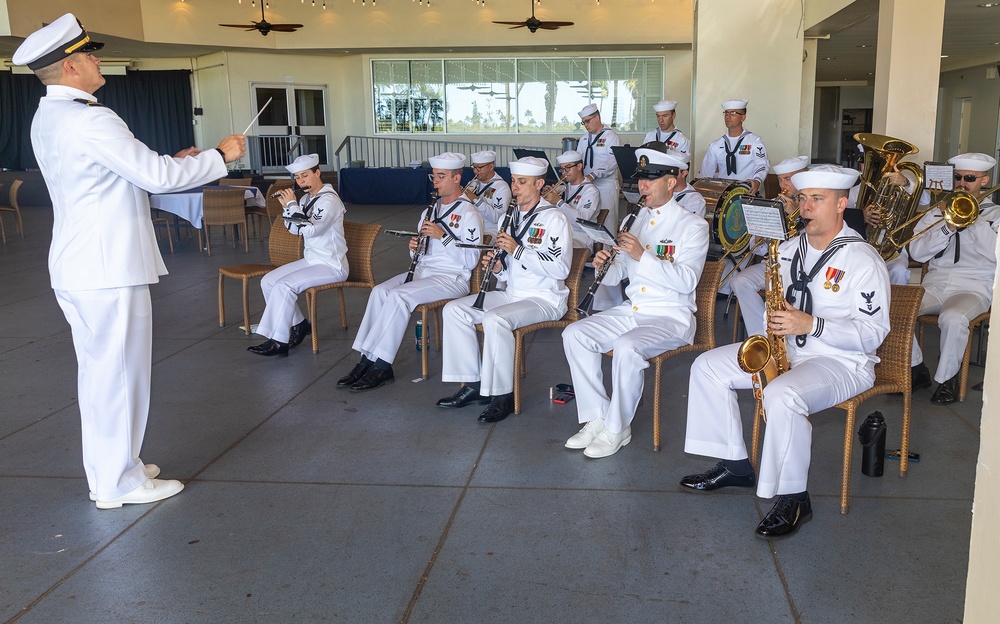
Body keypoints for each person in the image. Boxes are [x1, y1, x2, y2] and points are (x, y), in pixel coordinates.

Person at [12, 13, 246, 509]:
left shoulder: (49, 116)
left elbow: (117, 177)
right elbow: (155, 177)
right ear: (71, 67)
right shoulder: (91, 117)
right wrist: (220, 156)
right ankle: (119, 484)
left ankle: (116, 469)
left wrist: (179, 162)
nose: (99, 60)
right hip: (107, 268)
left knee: (100, 376)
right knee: (119, 376)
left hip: (79, 266)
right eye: (90, 55)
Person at [680, 165, 890, 539]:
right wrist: (771, 332)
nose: (806, 207)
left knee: (783, 393)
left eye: (818, 200)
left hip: (843, 361)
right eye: (803, 198)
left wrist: (812, 325)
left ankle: (795, 496)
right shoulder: (788, 249)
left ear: (842, 204)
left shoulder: (863, 260)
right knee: (706, 366)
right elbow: (773, 296)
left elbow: (873, 334)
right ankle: (735, 463)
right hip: (788, 349)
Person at [562, 145, 708, 458]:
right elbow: (619, 277)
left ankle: (618, 427)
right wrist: (606, 265)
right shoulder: (635, 218)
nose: (643, 185)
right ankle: (597, 416)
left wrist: (642, 255)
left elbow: (686, 282)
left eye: (651, 178)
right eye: (641, 177)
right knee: (575, 333)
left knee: (627, 347)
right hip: (635, 310)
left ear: (670, 182)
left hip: (671, 316)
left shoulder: (692, 226)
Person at [437, 157, 573, 423]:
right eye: (514, 181)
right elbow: (509, 272)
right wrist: (498, 267)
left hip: (545, 298)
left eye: (522, 182)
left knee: (495, 318)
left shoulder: (554, 218)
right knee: (454, 309)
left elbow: (560, 269)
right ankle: (475, 385)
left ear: (540, 184)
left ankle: (502, 395)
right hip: (514, 292)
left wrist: (517, 250)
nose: (516, 187)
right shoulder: (507, 219)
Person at [338, 152, 484, 391]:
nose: (434, 181)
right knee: (380, 292)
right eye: (433, 176)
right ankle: (366, 358)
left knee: (399, 296)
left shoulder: (469, 213)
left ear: (457, 178)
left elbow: (470, 259)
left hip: (451, 278)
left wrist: (443, 237)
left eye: (441, 176)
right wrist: (415, 247)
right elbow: (423, 253)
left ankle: (382, 365)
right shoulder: (429, 211)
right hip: (424, 273)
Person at [907, 152, 999, 404]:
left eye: (969, 178)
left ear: (985, 180)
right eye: (957, 176)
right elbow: (916, 252)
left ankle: (947, 379)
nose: (962, 183)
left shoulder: (995, 215)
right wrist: (947, 227)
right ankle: (917, 370)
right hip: (935, 284)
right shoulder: (937, 212)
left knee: (953, 317)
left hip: (973, 287)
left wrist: (973, 220)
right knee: (896, 309)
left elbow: (995, 255)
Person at [248, 154, 348, 357]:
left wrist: (293, 207)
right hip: (312, 260)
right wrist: (288, 207)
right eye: (297, 177)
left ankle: (278, 341)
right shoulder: (305, 199)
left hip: (332, 265)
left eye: (305, 176)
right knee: (268, 281)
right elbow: (295, 231)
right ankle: (299, 324)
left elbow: (312, 230)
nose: (301, 181)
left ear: (317, 173)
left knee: (285, 286)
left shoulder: (330, 200)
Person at [731, 156, 808, 337]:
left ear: (803, 177)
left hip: (805, 268)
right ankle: (761, 335)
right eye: (780, 179)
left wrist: (798, 216)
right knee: (739, 281)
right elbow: (758, 249)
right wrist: (759, 233)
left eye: (788, 179)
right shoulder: (774, 203)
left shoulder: (811, 204)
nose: (783, 184)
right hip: (776, 264)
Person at [698, 99, 769, 196]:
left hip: (747, 193)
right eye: (726, 113)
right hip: (723, 195)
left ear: (743, 117)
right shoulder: (716, 145)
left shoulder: (754, 141)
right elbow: (706, 174)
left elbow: (762, 164)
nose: (728, 116)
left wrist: (757, 180)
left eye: (733, 113)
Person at [577, 104, 622, 229]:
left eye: (587, 121)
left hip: (606, 185)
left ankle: (608, 248)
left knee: (607, 223)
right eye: (583, 122)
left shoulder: (610, 136)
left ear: (597, 117)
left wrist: (594, 174)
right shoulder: (584, 139)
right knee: (589, 220)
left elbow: (613, 161)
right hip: (587, 186)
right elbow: (578, 160)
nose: (586, 125)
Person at [544, 150, 600, 249]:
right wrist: (546, 197)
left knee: (559, 247)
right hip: (560, 233)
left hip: (581, 237)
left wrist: (559, 202)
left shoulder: (591, 191)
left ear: (579, 166)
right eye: (562, 169)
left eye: (568, 168)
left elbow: (582, 220)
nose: (564, 172)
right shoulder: (562, 188)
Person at [464, 150, 512, 237]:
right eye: (474, 167)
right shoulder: (473, 182)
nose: (475, 171)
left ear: (491, 166)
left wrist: (476, 200)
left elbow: (497, 217)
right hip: (470, 226)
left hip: (489, 231)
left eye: (479, 167)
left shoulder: (501, 187)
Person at [667, 149, 707, 218]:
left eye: (673, 172)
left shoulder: (695, 201)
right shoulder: (660, 191)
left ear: (684, 173)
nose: (668, 175)